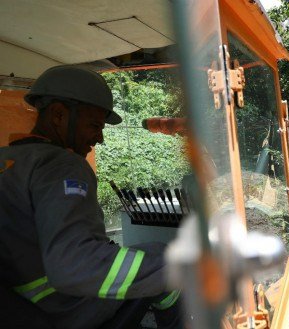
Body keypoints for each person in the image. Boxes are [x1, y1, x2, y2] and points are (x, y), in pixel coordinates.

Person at [0, 65, 181, 329]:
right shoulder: (61, 165)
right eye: (94, 125)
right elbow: (73, 265)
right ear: (59, 115)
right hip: (60, 310)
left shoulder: (8, 160)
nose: (100, 138)